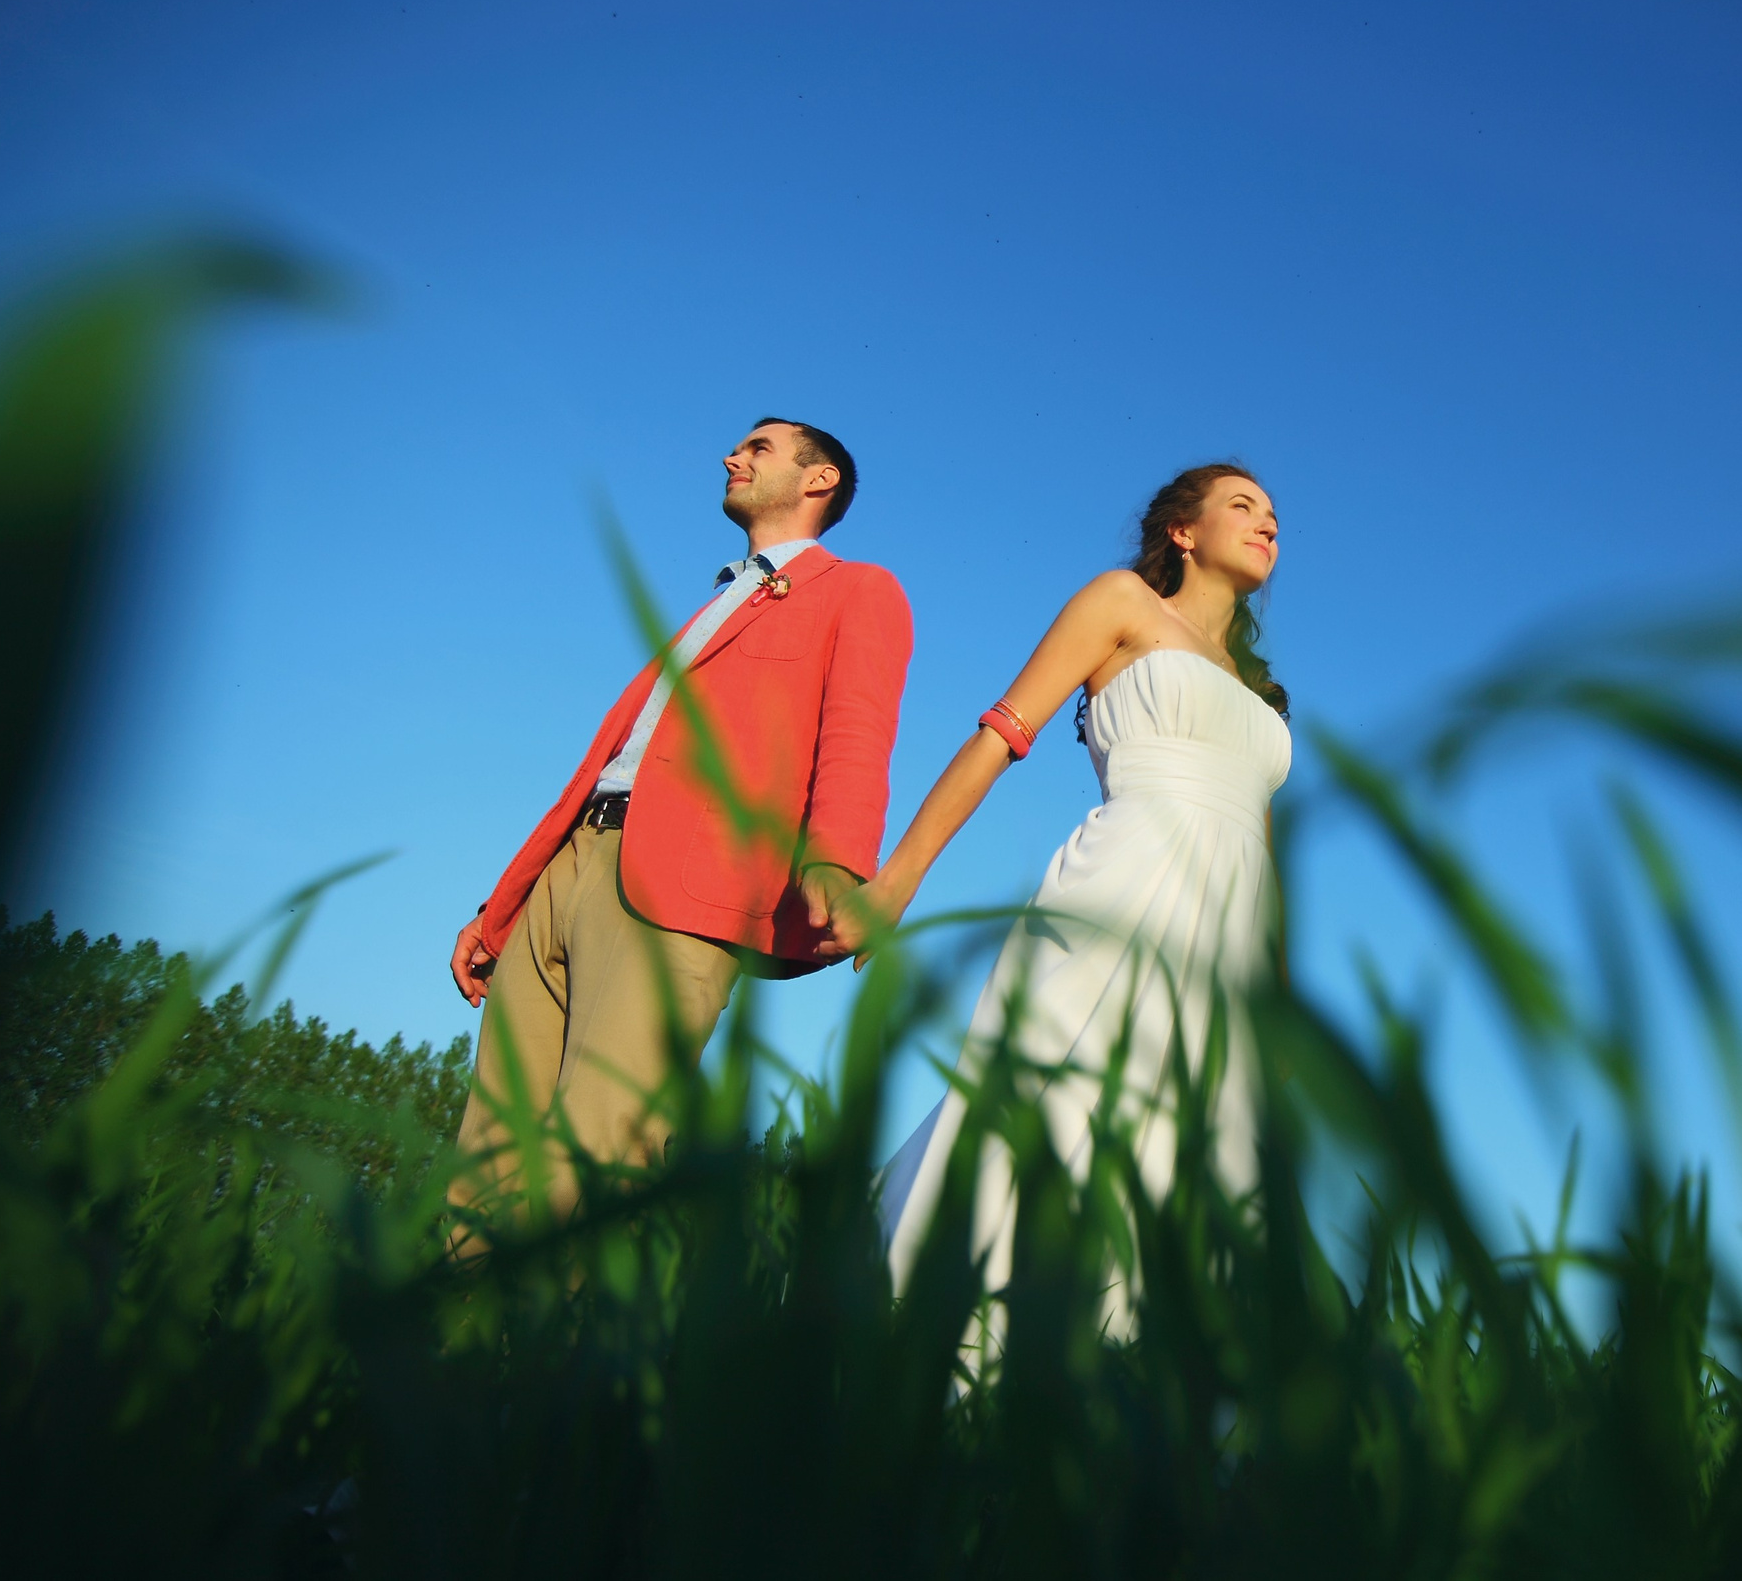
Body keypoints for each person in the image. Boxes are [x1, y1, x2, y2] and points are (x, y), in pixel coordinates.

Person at [846, 462, 1289, 1315]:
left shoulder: (1258, 690)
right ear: (1182, 532)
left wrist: (1280, 996)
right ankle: (951, 1331)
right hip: (1126, 886)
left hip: (1229, 938)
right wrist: (897, 880)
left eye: (1273, 514)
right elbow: (1001, 733)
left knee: (1206, 1147)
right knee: (1062, 1101)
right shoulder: (1123, 603)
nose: (1268, 523)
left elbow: (1262, 857)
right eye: (1243, 506)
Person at [447, 418, 911, 1220]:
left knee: (595, 1147)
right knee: (489, 1145)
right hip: (567, 869)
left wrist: (837, 860)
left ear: (818, 479)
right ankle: (445, 1337)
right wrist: (501, 909)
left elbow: (858, 730)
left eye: (759, 448)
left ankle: (543, 1344)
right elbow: (611, 758)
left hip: (680, 891)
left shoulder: (858, 588)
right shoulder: (713, 606)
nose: (732, 456)